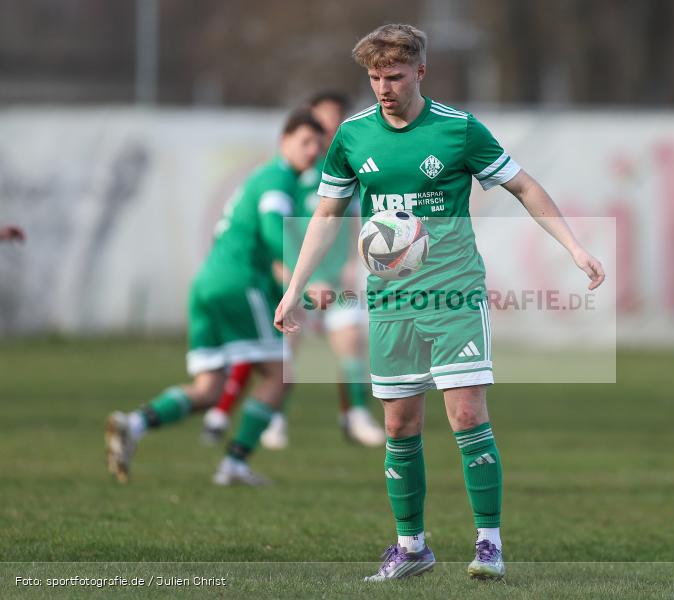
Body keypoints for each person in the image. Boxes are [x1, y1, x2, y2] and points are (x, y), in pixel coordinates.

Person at [274, 24, 604, 581]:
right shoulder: (353, 136)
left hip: (453, 294)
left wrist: (574, 246)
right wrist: (292, 288)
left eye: (395, 76)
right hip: (390, 302)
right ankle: (411, 547)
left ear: (420, 72)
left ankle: (489, 544)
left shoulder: (458, 130)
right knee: (401, 425)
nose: (383, 87)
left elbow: (523, 185)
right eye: (375, 77)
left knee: (466, 413)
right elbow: (327, 215)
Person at [105, 110, 323, 486]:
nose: (313, 150)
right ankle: (235, 464)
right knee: (280, 375)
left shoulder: (260, 179)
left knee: (209, 389)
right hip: (240, 283)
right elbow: (274, 229)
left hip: (206, 283)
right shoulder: (277, 178)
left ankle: (135, 424)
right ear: (283, 141)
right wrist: (305, 275)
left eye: (319, 143)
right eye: (305, 141)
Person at [203, 92, 384, 449]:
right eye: (325, 118)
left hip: (332, 281)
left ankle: (356, 414)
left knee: (352, 341)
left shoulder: (349, 166)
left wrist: (351, 264)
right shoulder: (291, 174)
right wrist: (297, 279)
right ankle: (272, 418)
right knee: (282, 352)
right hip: (293, 281)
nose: (331, 126)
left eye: (338, 118)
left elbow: (350, 221)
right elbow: (272, 233)